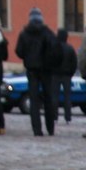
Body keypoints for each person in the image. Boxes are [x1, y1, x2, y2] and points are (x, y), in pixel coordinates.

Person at [15, 8, 57, 136]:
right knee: (48, 98)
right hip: (46, 70)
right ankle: (50, 127)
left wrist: (28, 57)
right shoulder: (47, 33)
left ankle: (37, 129)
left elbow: (19, 51)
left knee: (34, 100)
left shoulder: (24, 33)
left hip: (32, 69)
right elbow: (54, 49)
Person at [52, 28, 78, 124]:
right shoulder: (70, 48)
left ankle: (54, 117)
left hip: (55, 75)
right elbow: (74, 63)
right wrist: (71, 73)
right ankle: (68, 117)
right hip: (67, 75)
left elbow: (50, 61)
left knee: (54, 96)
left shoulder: (54, 47)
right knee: (67, 97)